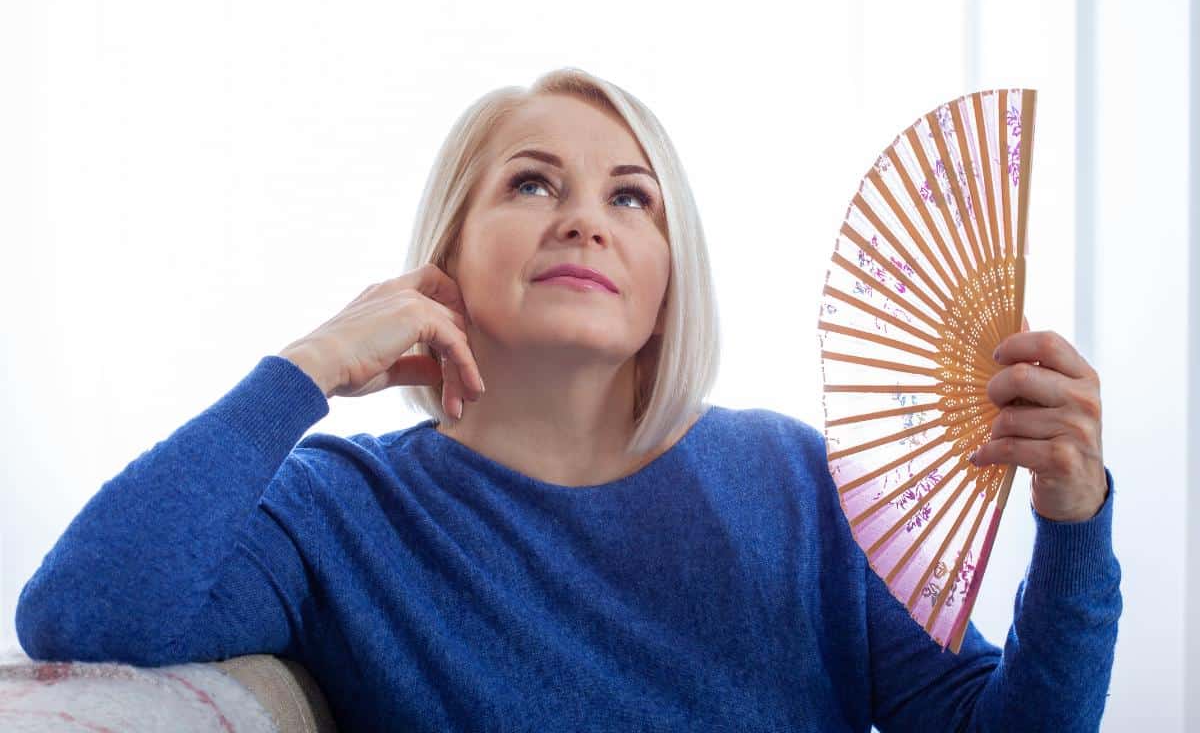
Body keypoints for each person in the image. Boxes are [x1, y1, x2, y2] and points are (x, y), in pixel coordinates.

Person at [15, 67, 1120, 732]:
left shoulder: (798, 482)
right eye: (532, 182)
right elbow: (86, 613)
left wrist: (1073, 522)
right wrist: (306, 369)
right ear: (447, 253)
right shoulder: (339, 508)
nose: (585, 218)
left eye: (631, 198)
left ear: (669, 276)